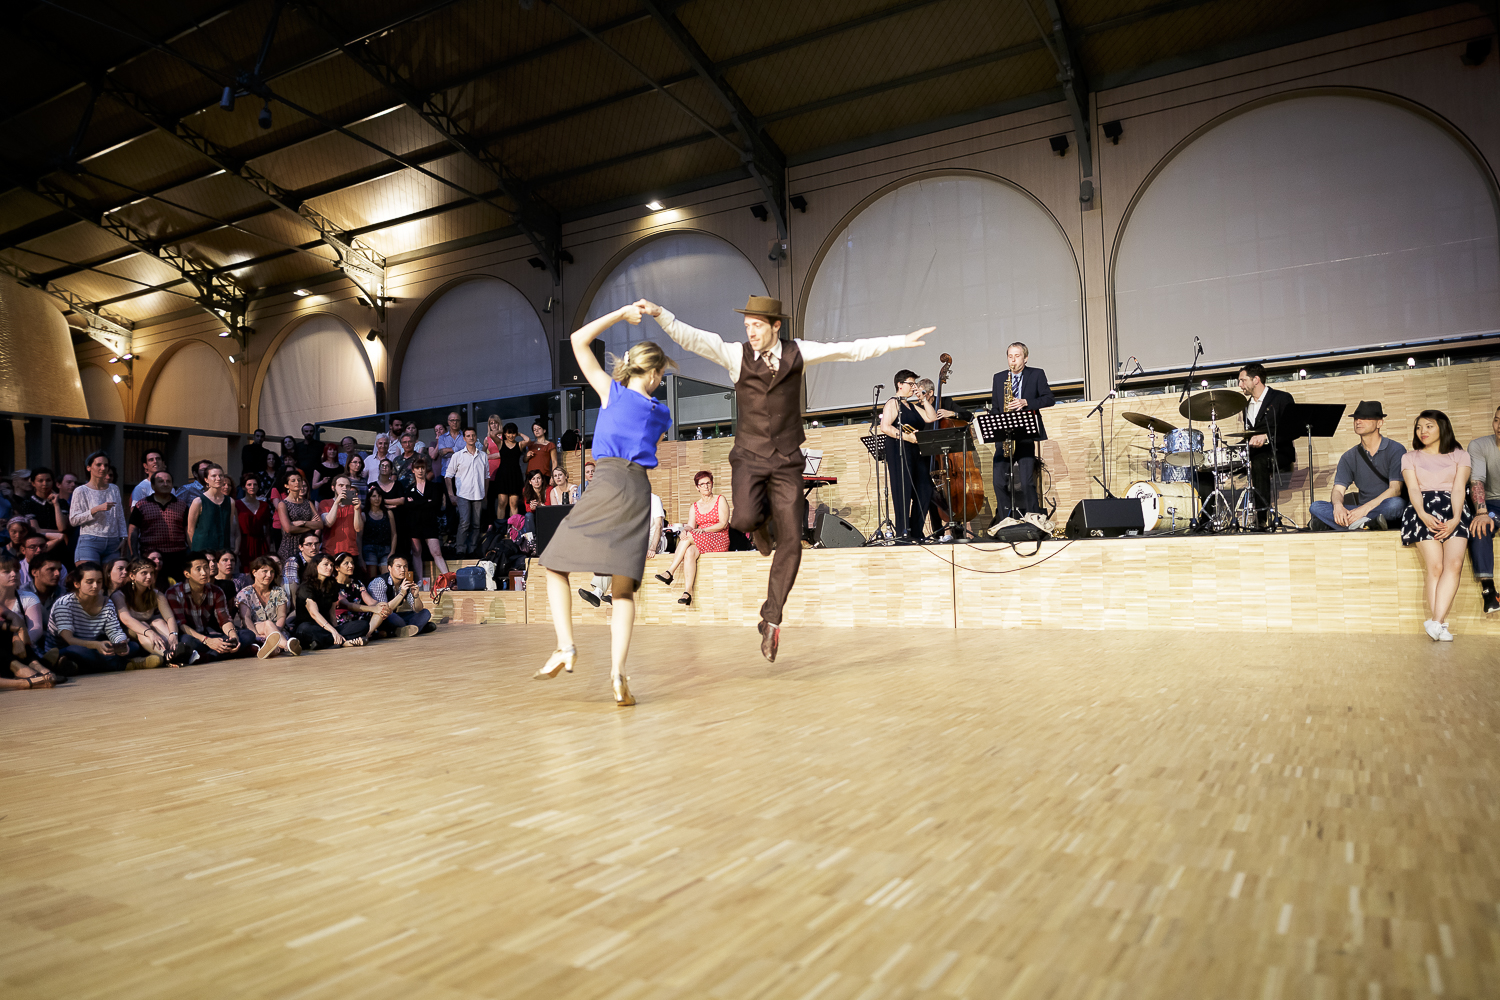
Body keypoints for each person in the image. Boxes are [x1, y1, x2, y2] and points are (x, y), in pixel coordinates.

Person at [640, 294, 932, 661]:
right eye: (747, 326)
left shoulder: (798, 352)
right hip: (749, 457)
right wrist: (660, 314)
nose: (751, 332)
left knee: (792, 540)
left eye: (757, 326)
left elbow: (849, 350)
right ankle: (762, 531)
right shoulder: (735, 354)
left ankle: (772, 620)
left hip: (788, 459)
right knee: (745, 519)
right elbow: (693, 338)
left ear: (776, 325)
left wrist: (898, 342)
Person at [534, 303, 673, 706]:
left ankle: (566, 646)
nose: (661, 381)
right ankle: (618, 674)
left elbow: (578, 340)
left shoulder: (610, 392)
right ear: (650, 372)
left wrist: (623, 313)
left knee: (554, 564)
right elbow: (647, 446)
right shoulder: (660, 412)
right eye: (660, 374)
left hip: (608, 480)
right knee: (624, 590)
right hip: (638, 491)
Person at [1400, 410, 1472, 641]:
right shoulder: (1409, 457)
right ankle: (1439, 624)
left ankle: (1436, 622)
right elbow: (1412, 489)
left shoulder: (1460, 455)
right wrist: (1422, 514)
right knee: (1435, 567)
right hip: (1421, 510)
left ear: (1442, 427)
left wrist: (1455, 518)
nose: (1423, 431)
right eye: (1419, 427)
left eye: (1429, 426)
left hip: (1454, 508)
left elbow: (1460, 488)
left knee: (1455, 563)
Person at [1309, 401, 1407, 531]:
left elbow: (1395, 490)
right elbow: (1338, 490)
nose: (1358, 421)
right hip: (1358, 511)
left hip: (1381, 507)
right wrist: (1338, 506)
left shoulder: (1396, 449)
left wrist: (1364, 510)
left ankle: (1351, 524)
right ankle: (1365, 524)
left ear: (1380, 423)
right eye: (1356, 418)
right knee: (1316, 506)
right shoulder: (1349, 456)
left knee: (1396, 504)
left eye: (1365, 418)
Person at [988, 343, 1055, 522]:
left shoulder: (1037, 374)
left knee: (1027, 482)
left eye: (1017, 356)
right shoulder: (999, 378)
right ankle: (1004, 521)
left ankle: (1033, 519)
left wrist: (1026, 402)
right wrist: (996, 421)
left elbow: (1049, 399)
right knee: (998, 482)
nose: (1013, 360)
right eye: (1010, 356)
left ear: (1025, 358)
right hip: (1004, 436)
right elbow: (995, 407)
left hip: (1025, 435)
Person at [49, 561, 153, 673]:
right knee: (77, 650)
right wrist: (96, 645)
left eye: (99, 582)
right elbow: (69, 639)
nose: (95, 586)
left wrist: (121, 643)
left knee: (133, 646)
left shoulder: (106, 602)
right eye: (89, 582)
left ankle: (82, 667)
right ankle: (125, 665)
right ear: (77, 584)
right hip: (68, 648)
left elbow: (114, 631)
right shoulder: (64, 604)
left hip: (96, 647)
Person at [880, 369, 942, 541]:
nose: (914, 387)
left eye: (915, 384)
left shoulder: (912, 406)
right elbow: (885, 427)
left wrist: (922, 398)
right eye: (910, 383)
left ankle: (915, 531)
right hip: (899, 451)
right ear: (900, 385)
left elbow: (932, 417)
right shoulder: (893, 403)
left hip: (916, 451)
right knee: (903, 491)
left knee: (925, 489)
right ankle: (903, 533)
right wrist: (906, 436)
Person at [653, 470, 728, 606]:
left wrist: (702, 530)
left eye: (708, 483)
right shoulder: (695, 506)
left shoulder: (720, 499)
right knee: (689, 552)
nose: (706, 486)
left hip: (719, 538)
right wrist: (684, 531)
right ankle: (687, 592)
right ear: (697, 487)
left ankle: (670, 571)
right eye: (702, 484)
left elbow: (723, 523)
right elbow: (690, 526)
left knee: (690, 536)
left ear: (712, 484)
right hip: (701, 539)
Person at [1238, 363, 1298, 530]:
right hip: (1254, 453)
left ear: (1256, 379)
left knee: (1259, 462)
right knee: (1216, 464)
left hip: (1279, 452)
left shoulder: (1282, 398)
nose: (1240, 385)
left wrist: (1266, 438)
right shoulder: (1245, 406)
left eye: (1243, 380)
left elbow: (1292, 430)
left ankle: (1261, 518)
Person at [166, 552, 255, 663]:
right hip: (191, 637)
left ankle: (206, 657)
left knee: (248, 635)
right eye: (198, 569)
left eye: (206, 568)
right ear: (187, 574)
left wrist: (233, 636)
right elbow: (182, 625)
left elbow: (224, 619)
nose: (204, 573)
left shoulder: (216, 591)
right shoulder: (174, 592)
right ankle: (236, 653)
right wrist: (208, 641)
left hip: (207, 635)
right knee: (186, 641)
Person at [111, 558, 193, 665]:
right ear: (132, 576)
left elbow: (169, 617)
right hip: (129, 634)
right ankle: (166, 654)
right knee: (143, 624)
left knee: (158, 621)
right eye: (144, 573)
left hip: (151, 634)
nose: (149, 576)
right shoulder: (119, 595)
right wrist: (150, 633)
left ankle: (175, 650)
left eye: (152, 573)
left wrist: (174, 634)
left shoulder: (156, 594)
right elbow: (126, 619)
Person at [1463, 404, 1500, 616]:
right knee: (1480, 528)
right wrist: (1482, 512)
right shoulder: (1478, 445)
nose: (1499, 425)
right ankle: (1489, 592)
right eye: (1496, 420)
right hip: (1492, 504)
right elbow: (1476, 480)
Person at [292, 553, 368, 650]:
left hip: (327, 629)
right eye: (326, 564)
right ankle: (344, 642)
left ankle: (326, 642)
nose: (330, 567)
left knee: (363, 625)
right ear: (316, 566)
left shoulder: (332, 585)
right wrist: (334, 632)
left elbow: (332, 613)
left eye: (332, 565)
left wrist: (336, 629)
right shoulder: (306, 587)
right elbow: (314, 613)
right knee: (304, 629)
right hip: (310, 627)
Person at [128, 471, 190, 583]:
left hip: (177, 557)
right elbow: (133, 531)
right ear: (153, 485)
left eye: (168, 481)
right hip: (150, 556)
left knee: (177, 589)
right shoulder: (141, 505)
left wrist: (191, 552)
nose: (165, 484)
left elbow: (188, 531)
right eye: (161, 481)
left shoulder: (182, 505)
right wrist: (134, 556)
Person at [70, 450, 128, 566]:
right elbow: (73, 520)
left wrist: (124, 537)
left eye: (106, 465)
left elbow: (120, 515)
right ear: (88, 468)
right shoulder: (81, 490)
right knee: (89, 577)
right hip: (90, 540)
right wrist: (95, 509)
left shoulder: (114, 489)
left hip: (113, 542)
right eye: (98, 465)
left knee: (113, 581)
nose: (103, 468)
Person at [331, 552, 407, 639]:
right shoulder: (332, 584)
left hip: (360, 616)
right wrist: (373, 608)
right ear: (337, 568)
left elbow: (370, 601)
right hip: (344, 619)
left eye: (352, 563)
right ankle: (378, 633)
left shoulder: (357, 583)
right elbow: (348, 605)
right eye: (346, 563)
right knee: (369, 621)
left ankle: (367, 635)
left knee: (380, 612)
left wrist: (381, 606)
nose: (351, 566)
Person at [236, 555, 298, 657]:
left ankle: (273, 648)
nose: (269, 575)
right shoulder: (245, 593)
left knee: (271, 628)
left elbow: (282, 616)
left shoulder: (279, 592)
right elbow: (245, 619)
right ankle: (287, 646)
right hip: (255, 630)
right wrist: (256, 636)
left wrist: (274, 632)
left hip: (278, 629)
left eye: (272, 571)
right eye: (265, 571)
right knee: (267, 623)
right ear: (254, 572)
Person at [447, 426, 488, 557]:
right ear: (464, 438)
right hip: (463, 494)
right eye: (468, 436)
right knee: (464, 522)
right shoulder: (457, 456)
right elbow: (448, 476)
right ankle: (460, 549)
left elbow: (486, 476)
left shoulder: (483, 455)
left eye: (473, 435)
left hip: (478, 494)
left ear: (476, 437)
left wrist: (485, 493)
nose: (471, 438)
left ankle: (472, 549)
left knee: (476, 524)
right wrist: (451, 494)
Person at [367, 554, 434, 634]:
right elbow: (383, 610)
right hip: (379, 618)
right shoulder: (379, 582)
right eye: (398, 566)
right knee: (394, 617)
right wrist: (402, 593)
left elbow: (417, 609)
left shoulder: (406, 582)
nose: (403, 570)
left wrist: (416, 596)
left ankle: (402, 631)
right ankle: (416, 629)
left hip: (393, 615)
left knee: (425, 613)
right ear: (389, 568)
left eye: (405, 566)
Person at [403, 457, 446, 579]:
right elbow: (408, 505)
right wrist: (425, 502)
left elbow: (435, 504)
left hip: (430, 523)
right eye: (417, 468)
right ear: (413, 470)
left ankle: (448, 578)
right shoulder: (409, 488)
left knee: (437, 553)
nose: (420, 470)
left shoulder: (434, 487)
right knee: (416, 552)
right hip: (414, 524)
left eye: (422, 468)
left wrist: (416, 502)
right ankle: (420, 581)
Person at [186, 465, 237, 554]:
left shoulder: (230, 502)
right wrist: (195, 550)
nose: (218, 478)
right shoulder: (198, 501)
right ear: (206, 479)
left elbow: (228, 527)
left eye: (221, 475)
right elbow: (190, 530)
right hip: (202, 550)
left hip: (223, 551)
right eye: (214, 476)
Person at [318, 474, 365, 568]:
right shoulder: (325, 503)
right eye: (341, 485)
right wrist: (336, 503)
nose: (344, 488)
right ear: (333, 488)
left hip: (351, 551)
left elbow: (358, 528)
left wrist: (356, 509)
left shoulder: (353, 505)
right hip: (330, 551)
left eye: (347, 486)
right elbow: (328, 523)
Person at [0, 554, 45, 651]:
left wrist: (22, 643)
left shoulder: (29, 597)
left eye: (16, 571)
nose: (13, 574)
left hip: (25, 648)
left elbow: (36, 628)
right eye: (7, 571)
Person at [275, 471, 320, 564]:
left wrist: (303, 523)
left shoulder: (308, 503)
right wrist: (311, 525)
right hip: (289, 547)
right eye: (293, 480)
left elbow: (319, 524)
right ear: (286, 485)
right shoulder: (283, 504)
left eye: (299, 480)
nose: (297, 482)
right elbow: (289, 529)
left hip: (307, 547)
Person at [23, 467, 68, 552]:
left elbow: (62, 527)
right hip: (39, 547)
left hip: (60, 547)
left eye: (48, 480)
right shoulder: (28, 503)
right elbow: (36, 530)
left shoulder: (61, 502)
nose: (45, 484)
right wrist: (60, 534)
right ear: (33, 483)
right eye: (40, 481)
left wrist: (56, 504)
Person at [235, 472, 274, 564]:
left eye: (255, 484)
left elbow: (267, 530)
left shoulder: (264, 505)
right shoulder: (237, 504)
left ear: (259, 487)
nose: (252, 487)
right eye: (249, 484)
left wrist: (268, 548)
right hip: (244, 544)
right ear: (244, 487)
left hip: (261, 543)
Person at [493, 421, 528, 520]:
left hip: (515, 475)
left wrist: (519, 433)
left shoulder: (519, 445)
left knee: (514, 504)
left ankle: (514, 529)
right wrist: (503, 430)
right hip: (503, 476)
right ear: (505, 433)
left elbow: (528, 439)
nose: (511, 435)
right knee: (502, 502)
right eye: (509, 433)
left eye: (513, 433)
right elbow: (492, 434)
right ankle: (501, 527)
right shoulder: (500, 443)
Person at [361, 488, 397, 578]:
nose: (377, 499)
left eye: (379, 496)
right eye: (374, 496)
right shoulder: (364, 514)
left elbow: (394, 534)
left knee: (387, 578)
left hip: (386, 549)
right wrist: (360, 558)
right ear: (369, 498)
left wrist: (392, 552)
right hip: (369, 549)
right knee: (371, 579)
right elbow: (359, 537)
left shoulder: (388, 513)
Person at [520, 469, 548, 537]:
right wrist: (532, 508)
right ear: (530, 482)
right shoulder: (526, 490)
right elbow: (527, 509)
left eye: (538, 478)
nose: (536, 481)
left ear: (542, 480)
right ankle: (531, 541)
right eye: (533, 479)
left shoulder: (549, 489)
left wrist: (540, 505)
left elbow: (550, 507)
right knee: (528, 515)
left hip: (546, 515)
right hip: (534, 516)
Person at [436, 411, 463, 478]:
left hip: (463, 474)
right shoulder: (442, 438)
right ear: (448, 422)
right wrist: (459, 450)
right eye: (452, 420)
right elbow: (442, 453)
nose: (455, 422)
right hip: (447, 473)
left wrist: (448, 450)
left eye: (457, 420)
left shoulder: (466, 436)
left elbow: (467, 452)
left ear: (460, 422)